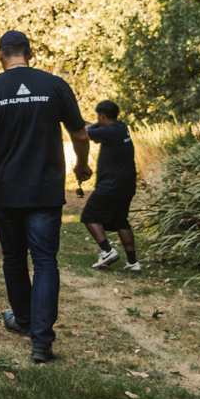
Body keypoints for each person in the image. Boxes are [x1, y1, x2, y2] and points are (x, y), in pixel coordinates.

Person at [0, 31, 88, 363]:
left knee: (15, 259)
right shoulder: (55, 86)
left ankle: (23, 322)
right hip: (46, 191)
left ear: (0, 55)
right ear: (29, 54)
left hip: (6, 192)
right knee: (46, 261)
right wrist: (82, 166)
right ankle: (42, 342)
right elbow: (79, 133)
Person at [82, 101, 140, 272]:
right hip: (127, 183)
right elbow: (89, 126)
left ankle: (107, 251)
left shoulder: (109, 131)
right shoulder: (120, 127)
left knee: (90, 216)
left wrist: (93, 124)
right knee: (121, 221)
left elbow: (83, 133)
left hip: (112, 183)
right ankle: (133, 262)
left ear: (102, 116)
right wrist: (94, 123)